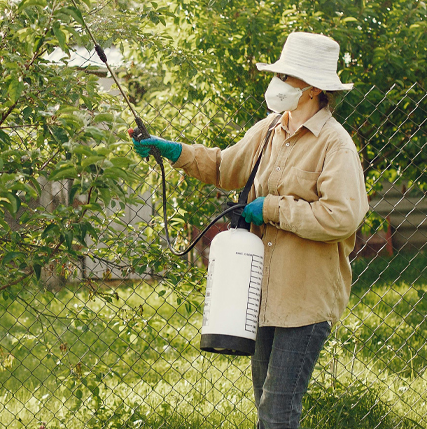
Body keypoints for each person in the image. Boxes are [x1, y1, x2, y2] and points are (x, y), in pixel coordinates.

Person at [131, 32, 368, 428]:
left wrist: (272, 208)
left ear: (311, 88)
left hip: (305, 299)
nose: (276, 84)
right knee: (266, 406)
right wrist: (174, 151)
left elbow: (341, 216)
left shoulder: (334, 144)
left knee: (277, 413)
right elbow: (226, 167)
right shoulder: (270, 129)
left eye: (285, 77)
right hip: (263, 294)